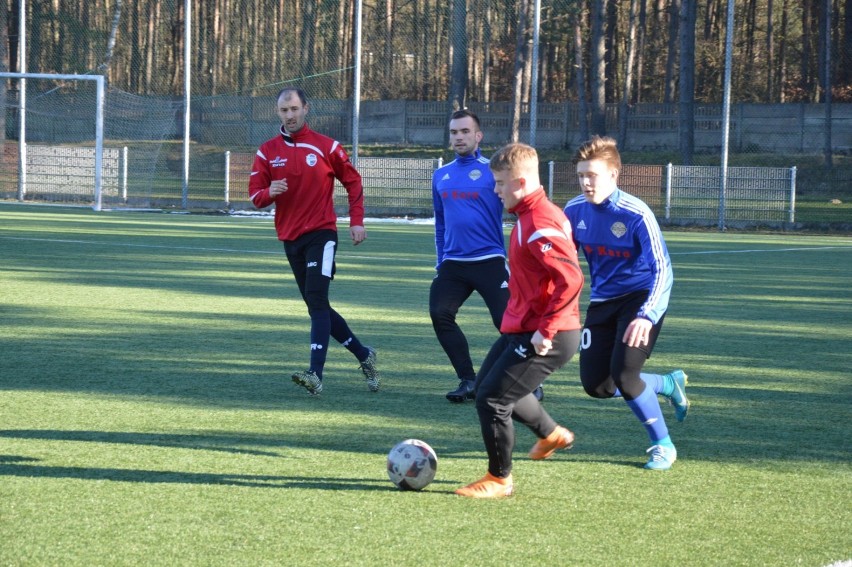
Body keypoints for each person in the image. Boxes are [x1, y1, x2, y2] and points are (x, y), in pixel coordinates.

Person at [455, 143, 584, 499]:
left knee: (493, 400)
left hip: (550, 332)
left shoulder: (540, 221)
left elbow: (571, 279)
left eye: (500, 183)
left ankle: (500, 479)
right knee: (489, 389)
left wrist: (546, 330)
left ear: (522, 182)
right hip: (526, 325)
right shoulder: (528, 216)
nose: (495, 191)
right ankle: (551, 433)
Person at [563, 135, 689, 471]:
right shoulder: (574, 211)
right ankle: (665, 383)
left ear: (614, 175)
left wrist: (647, 315)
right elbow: (564, 264)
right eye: (581, 176)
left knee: (625, 375)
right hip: (602, 302)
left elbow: (663, 269)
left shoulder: (636, 213)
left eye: (593, 175)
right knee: (598, 386)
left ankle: (663, 445)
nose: (587, 183)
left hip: (640, 301)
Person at [248, 87, 380, 396]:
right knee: (316, 305)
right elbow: (255, 196)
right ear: (278, 113)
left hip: (322, 233)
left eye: (294, 108)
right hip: (290, 238)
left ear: (306, 108)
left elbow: (353, 181)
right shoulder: (267, 151)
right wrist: (271, 192)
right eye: (284, 110)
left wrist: (357, 221)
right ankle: (364, 355)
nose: (290, 115)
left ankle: (315, 374)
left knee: (317, 301)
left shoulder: (327, 147)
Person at [429, 109, 511, 403]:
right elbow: (440, 223)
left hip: (489, 260)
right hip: (453, 264)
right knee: (440, 312)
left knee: (508, 325)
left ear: (478, 136)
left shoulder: (493, 171)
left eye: (465, 131)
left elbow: (519, 208)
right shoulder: (441, 175)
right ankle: (468, 379)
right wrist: (441, 262)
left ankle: (524, 382)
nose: (458, 137)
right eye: (454, 132)